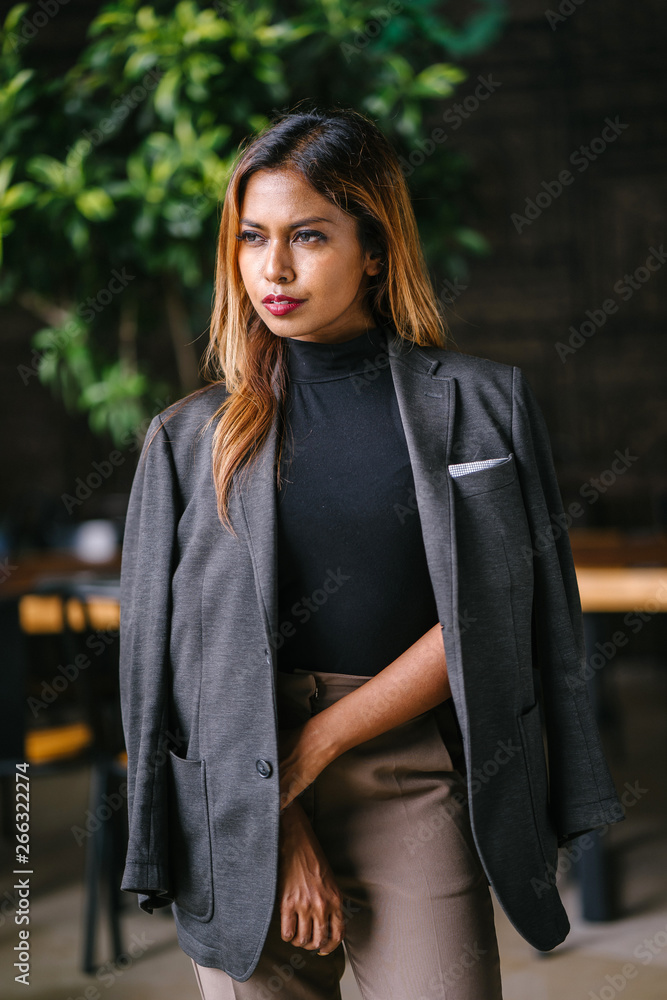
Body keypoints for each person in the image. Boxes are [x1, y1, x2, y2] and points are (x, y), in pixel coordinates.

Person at [119, 105, 624, 1000]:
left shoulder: (481, 406)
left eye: (308, 236)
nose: (272, 270)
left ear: (376, 247)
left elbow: (497, 612)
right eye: (251, 239)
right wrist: (277, 822)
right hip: (236, 788)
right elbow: (165, 671)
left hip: (407, 773)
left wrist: (318, 743)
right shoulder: (187, 439)